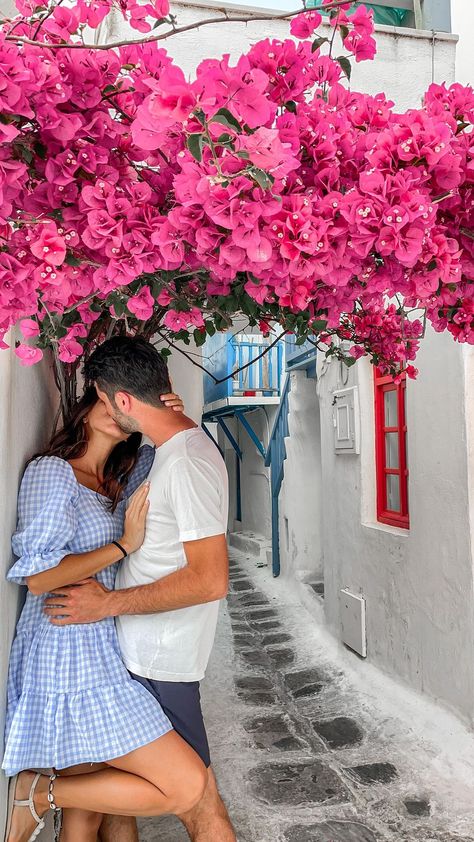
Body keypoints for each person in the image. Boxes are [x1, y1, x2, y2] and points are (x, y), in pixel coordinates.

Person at [44, 336, 237, 842]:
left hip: (159, 662)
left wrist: (108, 603)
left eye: (105, 400)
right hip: (129, 655)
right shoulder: (170, 450)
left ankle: (39, 791)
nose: (104, 410)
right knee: (115, 804)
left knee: (196, 798)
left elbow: (209, 579)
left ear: (123, 401)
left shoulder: (188, 461)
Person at [3, 386, 208, 842]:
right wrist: (121, 546)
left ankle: (41, 793)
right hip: (64, 642)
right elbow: (39, 578)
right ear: (92, 399)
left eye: (130, 407)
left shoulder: (117, 483)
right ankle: (39, 794)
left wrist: (169, 421)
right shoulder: (53, 472)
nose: (119, 413)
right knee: (185, 784)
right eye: (112, 401)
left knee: (88, 810)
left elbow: (164, 470)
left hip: (102, 641)